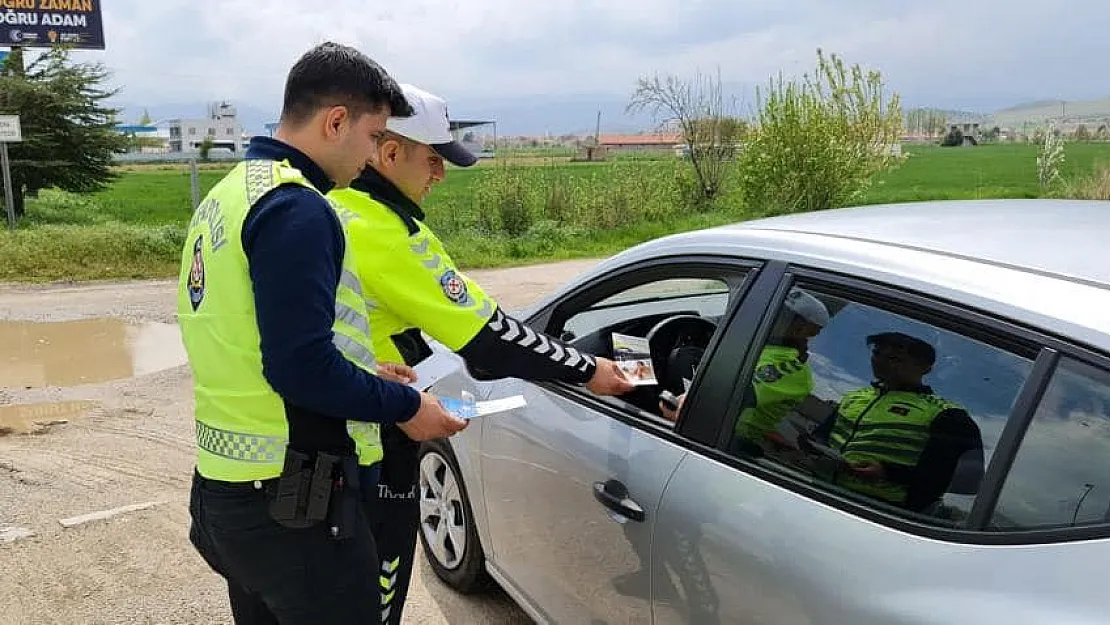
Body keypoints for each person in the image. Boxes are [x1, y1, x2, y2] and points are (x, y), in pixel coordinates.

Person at [178, 43, 467, 625]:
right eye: (371, 135)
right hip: (294, 504)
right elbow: (300, 367)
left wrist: (365, 374)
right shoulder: (298, 209)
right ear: (336, 120)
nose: (370, 156)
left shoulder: (230, 193)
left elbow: (258, 340)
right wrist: (405, 403)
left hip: (227, 489)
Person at [326, 83, 635, 624]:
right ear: (390, 153)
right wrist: (589, 369)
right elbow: (489, 335)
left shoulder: (333, 208)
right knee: (375, 594)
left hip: (326, 433)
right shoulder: (386, 233)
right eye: (433, 159)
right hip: (373, 439)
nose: (440, 175)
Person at [800, 331, 985, 513]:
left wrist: (887, 472)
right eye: (876, 353)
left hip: (883, 514)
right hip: (814, 493)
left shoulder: (947, 414)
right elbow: (821, 438)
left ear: (925, 367)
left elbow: (952, 481)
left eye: (894, 358)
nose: (879, 361)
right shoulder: (854, 398)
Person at [660, 288, 830, 455]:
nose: (768, 315)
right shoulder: (763, 342)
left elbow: (736, 394)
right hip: (712, 431)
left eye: (779, 314)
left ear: (800, 329)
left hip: (730, 445)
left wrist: (687, 412)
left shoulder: (794, 369)